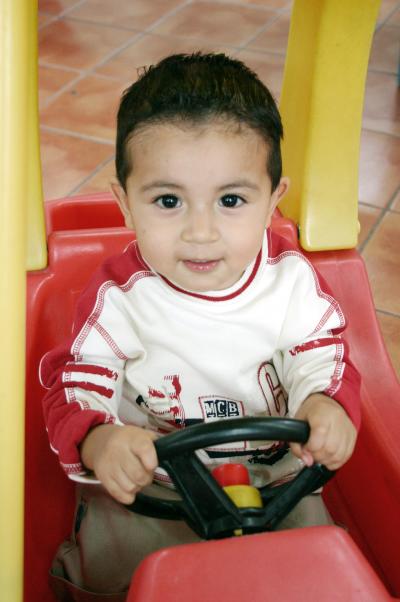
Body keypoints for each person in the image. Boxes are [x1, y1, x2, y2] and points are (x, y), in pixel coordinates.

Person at [40, 52, 360, 600]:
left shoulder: (291, 284)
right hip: (154, 481)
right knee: (112, 569)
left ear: (271, 201)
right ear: (125, 205)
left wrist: (326, 404)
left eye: (231, 200)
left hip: (278, 475)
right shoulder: (119, 298)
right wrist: (100, 439)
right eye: (168, 201)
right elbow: (77, 382)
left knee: (321, 566)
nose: (201, 232)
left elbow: (322, 358)